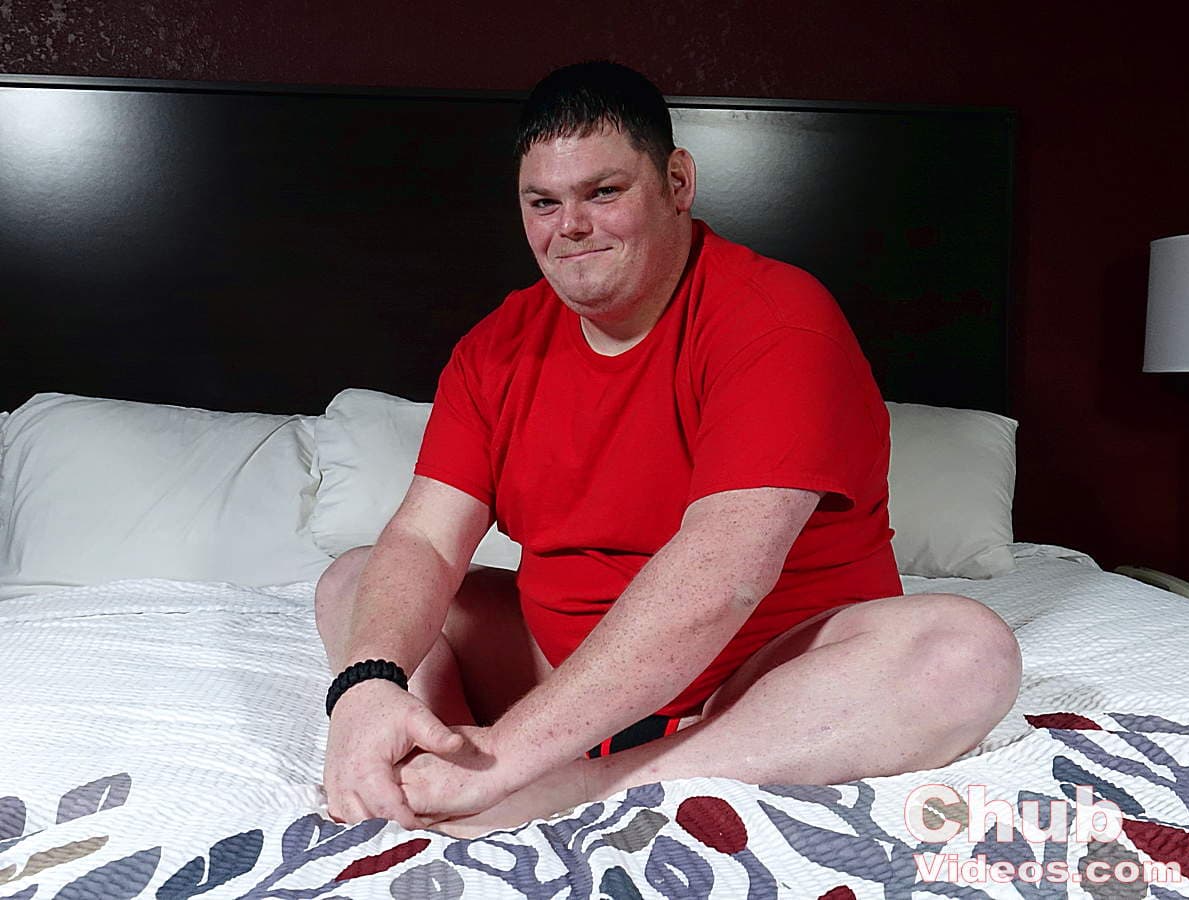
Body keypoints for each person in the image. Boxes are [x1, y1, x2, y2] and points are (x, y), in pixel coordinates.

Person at [314, 61, 1022, 837]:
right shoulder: (493, 349)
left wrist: (510, 760)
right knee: (355, 582)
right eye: (543, 202)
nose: (568, 227)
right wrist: (366, 685)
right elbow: (424, 537)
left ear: (676, 182)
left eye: (602, 192)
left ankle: (577, 784)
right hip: (558, 672)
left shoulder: (775, 319)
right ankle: (438, 761)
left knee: (965, 653)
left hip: (756, 688)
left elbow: (722, 575)